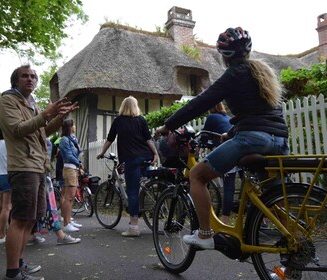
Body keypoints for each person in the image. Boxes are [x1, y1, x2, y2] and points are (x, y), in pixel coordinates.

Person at [155, 27, 289, 250]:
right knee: (273, 196)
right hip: (279, 140)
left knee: (197, 175)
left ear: (224, 55)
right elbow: (259, 113)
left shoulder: (234, 74)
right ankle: (294, 250)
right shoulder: (262, 72)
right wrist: (232, 132)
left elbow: (200, 102)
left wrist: (168, 125)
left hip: (253, 139)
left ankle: (205, 234)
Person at [0, 64, 78, 280]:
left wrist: (60, 118)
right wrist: (45, 114)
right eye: (25, 76)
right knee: (21, 219)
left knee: (32, 218)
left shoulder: (31, 104)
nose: (30, 79)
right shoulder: (8, 101)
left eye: (33, 76)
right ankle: (12, 272)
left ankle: (19, 263)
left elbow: (42, 132)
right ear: (15, 80)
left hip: (39, 166)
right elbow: (17, 129)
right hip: (23, 166)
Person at [96, 96, 159, 237]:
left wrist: (102, 153)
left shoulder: (118, 121)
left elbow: (109, 139)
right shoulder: (141, 120)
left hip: (131, 159)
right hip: (146, 156)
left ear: (123, 107)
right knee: (143, 183)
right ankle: (147, 201)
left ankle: (134, 227)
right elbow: (148, 138)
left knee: (132, 192)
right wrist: (155, 153)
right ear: (136, 106)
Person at [202, 102, 238, 225]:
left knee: (228, 188)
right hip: (238, 149)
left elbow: (203, 137)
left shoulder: (211, 118)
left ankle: (225, 221)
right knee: (231, 186)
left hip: (227, 151)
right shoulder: (228, 118)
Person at [58, 119, 83, 232]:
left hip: (74, 169)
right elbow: (68, 156)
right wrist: (79, 163)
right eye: (73, 125)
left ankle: (69, 220)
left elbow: (78, 152)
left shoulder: (72, 139)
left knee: (71, 197)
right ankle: (66, 223)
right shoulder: (64, 140)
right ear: (69, 127)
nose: (75, 126)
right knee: (68, 197)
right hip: (69, 169)